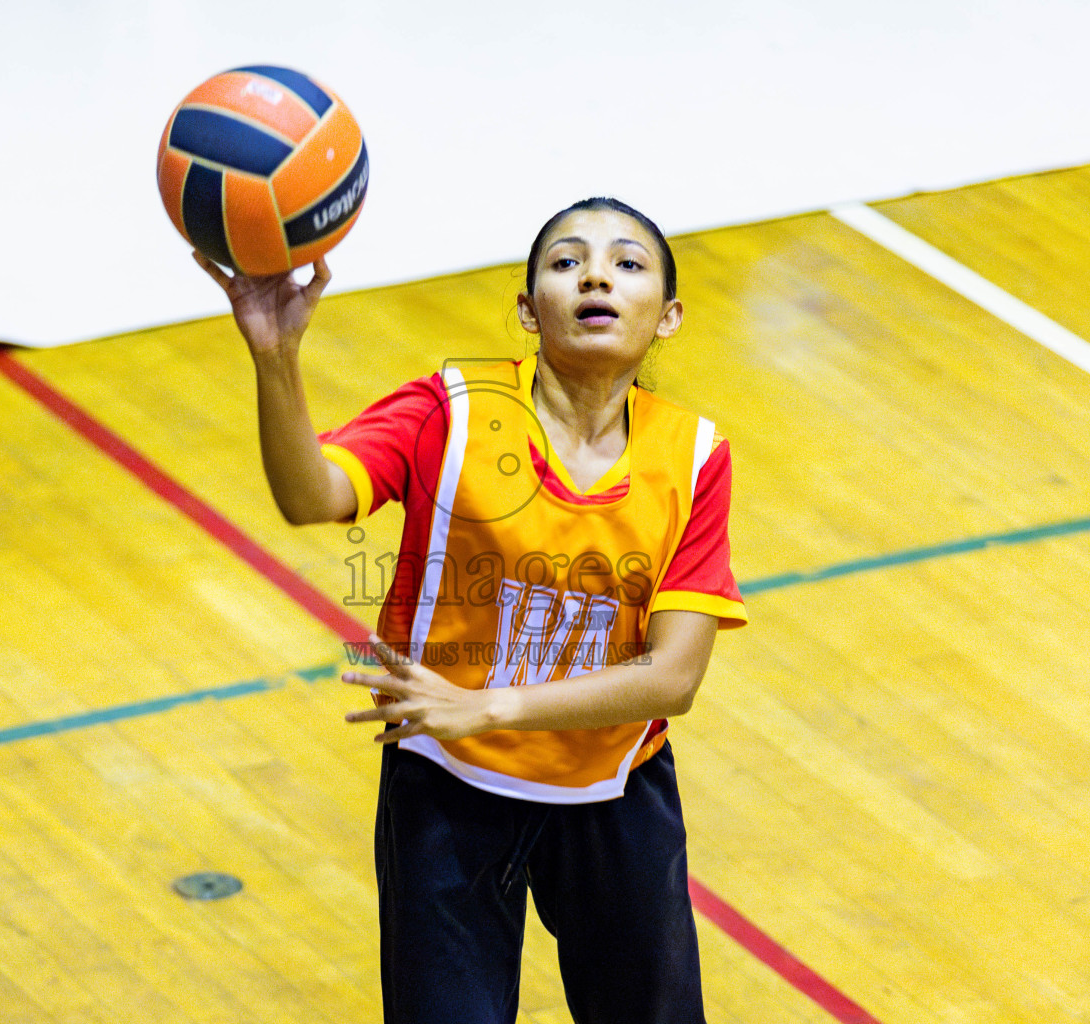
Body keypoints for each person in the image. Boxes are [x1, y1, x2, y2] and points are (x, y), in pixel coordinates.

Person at [195, 197, 747, 1024]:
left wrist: (489, 704)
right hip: (447, 788)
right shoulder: (449, 413)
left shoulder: (694, 454)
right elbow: (312, 496)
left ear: (666, 317)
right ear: (528, 310)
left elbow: (673, 677)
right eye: (566, 262)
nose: (596, 273)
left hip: (612, 789)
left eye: (628, 263)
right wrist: (276, 354)